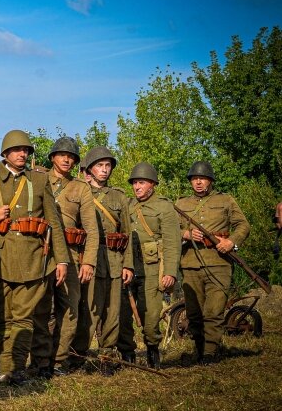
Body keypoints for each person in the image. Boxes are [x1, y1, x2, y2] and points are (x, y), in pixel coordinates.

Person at [0, 130, 69, 385]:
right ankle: (4, 366)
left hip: (33, 260)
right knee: (2, 317)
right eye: (17, 150)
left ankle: (14, 369)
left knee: (23, 318)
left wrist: (62, 260)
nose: (22, 154)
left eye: (26, 150)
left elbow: (54, 222)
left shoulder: (39, 182)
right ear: (5, 153)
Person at [30, 137, 99, 376]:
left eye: (71, 157)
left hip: (70, 255)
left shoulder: (81, 188)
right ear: (52, 157)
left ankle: (58, 360)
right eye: (62, 155)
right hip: (39, 253)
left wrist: (88, 261)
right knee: (39, 308)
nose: (67, 159)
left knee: (69, 309)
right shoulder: (37, 179)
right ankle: (39, 359)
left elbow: (92, 229)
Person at [176, 161, 250, 364]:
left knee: (214, 311)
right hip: (190, 263)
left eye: (202, 178)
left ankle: (210, 353)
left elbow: (243, 224)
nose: (198, 182)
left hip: (219, 263)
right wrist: (185, 233)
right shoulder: (181, 204)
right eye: (194, 179)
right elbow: (170, 229)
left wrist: (231, 242)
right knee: (194, 313)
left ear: (210, 180)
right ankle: (198, 350)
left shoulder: (225, 200)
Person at [76, 147, 134, 365]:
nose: (104, 170)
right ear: (90, 169)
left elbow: (126, 233)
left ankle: (107, 355)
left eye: (108, 165)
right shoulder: (81, 192)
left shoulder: (119, 196)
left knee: (112, 310)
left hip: (114, 259)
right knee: (88, 308)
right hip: (89, 258)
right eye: (99, 165)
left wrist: (128, 265)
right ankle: (79, 354)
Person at [122, 162, 180, 369]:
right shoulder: (127, 205)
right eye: (134, 183)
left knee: (151, 314)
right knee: (124, 313)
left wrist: (171, 272)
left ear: (153, 184)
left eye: (141, 182)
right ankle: (127, 353)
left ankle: (152, 350)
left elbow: (172, 242)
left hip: (153, 269)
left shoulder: (164, 207)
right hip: (128, 266)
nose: (137, 187)